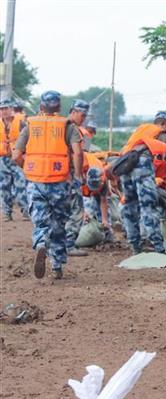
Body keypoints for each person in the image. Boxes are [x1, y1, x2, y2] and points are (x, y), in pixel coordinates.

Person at [13, 91, 84, 279]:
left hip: (35, 182)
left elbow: (16, 155)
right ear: (59, 107)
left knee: (40, 220)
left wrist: (28, 169)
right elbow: (77, 152)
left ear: (41, 107)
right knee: (59, 223)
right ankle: (57, 265)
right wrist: (76, 174)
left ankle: (41, 243)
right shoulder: (67, 126)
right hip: (60, 181)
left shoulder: (30, 125)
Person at [108, 136, 166, 254]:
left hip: (127, 163)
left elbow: (107, 170)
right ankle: (159, 248)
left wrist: (114, 182)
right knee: (148, 205)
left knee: (130, 207)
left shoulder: (152, 150)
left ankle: (135, 247)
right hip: (142, 161)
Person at [65, 100, 91, 257]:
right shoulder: (73, 129)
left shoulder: (58, 126)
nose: (84, 119)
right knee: (76, 210)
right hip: (69, 174)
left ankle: (50, 243)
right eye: (82, 115)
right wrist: (78, 175)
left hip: (54, 175)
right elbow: (78, 153)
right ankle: (68, 244)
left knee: (58, 210)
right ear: (73, 112)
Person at [0, 99, 29, 221]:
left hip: (18, 158)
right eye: (1, 109)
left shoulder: (22, 122)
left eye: (6, 108)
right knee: (4, 187)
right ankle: (6, 213)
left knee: (21, 185)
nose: (4, 111)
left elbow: (29, 139)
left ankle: (26, 211)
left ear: (11, 109)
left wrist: (25, 155)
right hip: (3, 159)